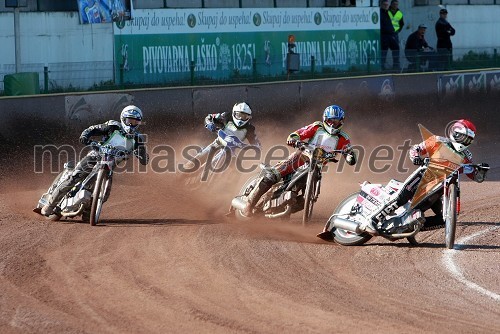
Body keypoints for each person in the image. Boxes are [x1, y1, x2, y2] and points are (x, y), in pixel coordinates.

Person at [358, 119, 489, 233]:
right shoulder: (438, 141)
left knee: (447, 218)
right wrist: (416, 157)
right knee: (401, 198)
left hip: (438, 191)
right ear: (455, 133)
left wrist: (481, 172)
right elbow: (415, 149)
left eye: (468, 139)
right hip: (423, 177)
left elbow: (474, 176)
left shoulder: (467, 156)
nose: (465, 141)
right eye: (463, 137)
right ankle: (372, 220)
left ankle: (413, 226)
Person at [241, 105, 357, 217]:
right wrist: (294, 140)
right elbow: (297, 134)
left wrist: (349, 156)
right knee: (273, 175)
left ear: (341, 122)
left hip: (316, 168)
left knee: (304, 200)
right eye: (330, 120)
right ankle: (248, 205)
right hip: (300, 158)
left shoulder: (343, 138)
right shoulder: (317, 127)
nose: (332, 123)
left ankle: (280, 209)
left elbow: (349, 152)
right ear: (325, 119)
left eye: (335, 121)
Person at [39, 105, 149, 216]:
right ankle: (50, 205)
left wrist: (142, 156)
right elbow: (92, 129)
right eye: (129, 120)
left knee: (105, 194)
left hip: (109, 168)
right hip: (95, 156)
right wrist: (85, 136)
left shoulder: (138, 138)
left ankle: (88, 212)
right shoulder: (113, 126)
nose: (131, 124)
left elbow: (144, 158)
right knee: (74, 178)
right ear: (123, 119)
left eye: (135, 122)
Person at [183, 102, 260, 170]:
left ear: (248, 117)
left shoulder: (250, 129)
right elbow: (209, 117)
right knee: (198, 159)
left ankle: (222, 182)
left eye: (244, 116)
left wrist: (256, 148)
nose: (240, 118)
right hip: (218, 143)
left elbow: (255, 142)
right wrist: (210, 124)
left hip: (231, 152)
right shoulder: (226, 116)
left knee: (235, 170)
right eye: (239, 115)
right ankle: (183, 171)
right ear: (234, 113)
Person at [380, 0, 400, 71]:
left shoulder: (389, 12)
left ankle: (396, 65)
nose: (386, 6)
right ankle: (382, 67)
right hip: (384, 36)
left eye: (387, 5)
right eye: (384, 5)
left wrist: (395, 32)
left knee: (396, 48)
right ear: (381, 5)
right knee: (383, 51)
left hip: (391, 35)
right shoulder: (380, 13)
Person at [388, 0, 404, 70]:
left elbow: (402, 23)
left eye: (397, 4)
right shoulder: (387, 11)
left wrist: (398, 30)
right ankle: (382, 65)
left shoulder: (399, 13)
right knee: (384, 49)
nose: (395, 6)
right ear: (391, 5)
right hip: (387, 33)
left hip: (395, 33)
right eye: (394, 4)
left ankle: (396, 65)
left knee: (396, 49)